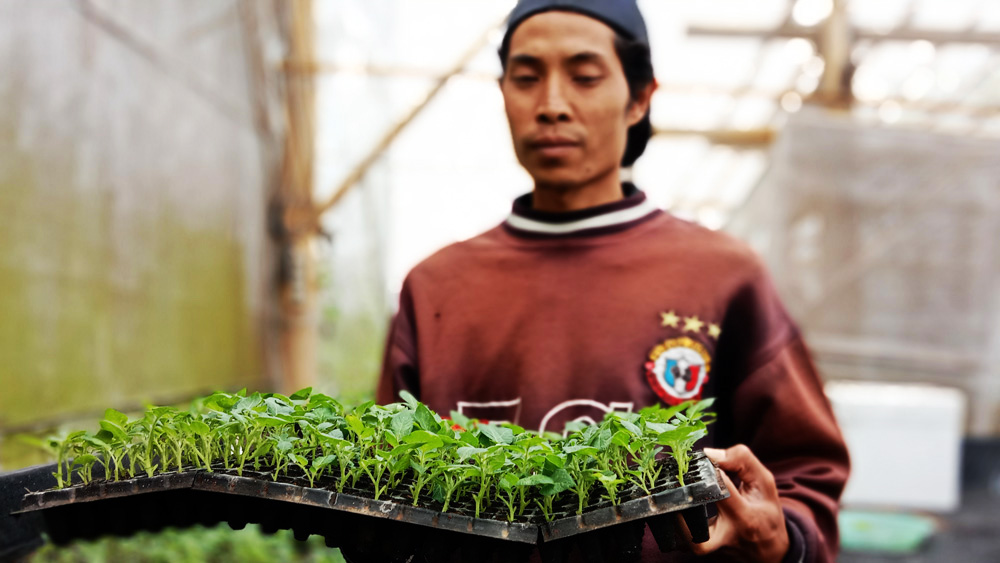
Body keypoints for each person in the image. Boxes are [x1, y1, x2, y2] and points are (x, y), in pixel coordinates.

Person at [377, 1, 849, 561]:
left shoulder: (722, 275)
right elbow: (386, 477)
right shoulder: (436, 287)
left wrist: (783, 534)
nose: (552, 105)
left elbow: (806, 473)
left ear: (639, 97)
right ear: (503, 93)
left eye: (585, 76)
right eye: (527, 78)